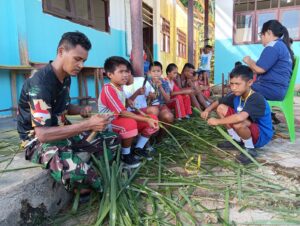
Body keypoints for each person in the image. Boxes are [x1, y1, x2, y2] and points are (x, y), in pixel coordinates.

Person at [17, 31, 120, 193]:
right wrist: (87, 124)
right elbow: (43, 134)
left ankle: (91, 175)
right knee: (80, 174)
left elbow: (63, 107)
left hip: (62, 131)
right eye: (77, 59)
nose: (81, 65)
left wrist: (82, 111)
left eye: (84, 61)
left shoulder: (66, 77)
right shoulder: (40, 83)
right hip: (37, 140)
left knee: (112, 139)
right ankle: (88, 183)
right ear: (61, 52)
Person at [201, 65, 273, 164]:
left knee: (238, 122)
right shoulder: (236, 94)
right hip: (247, 127)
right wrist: (207, 110)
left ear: (250, 82)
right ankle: (236, 139)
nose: (234, 88)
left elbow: (240, 117)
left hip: (261, 135)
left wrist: (217, 121)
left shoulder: (256, 98)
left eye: (237, 84)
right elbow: (219, 102)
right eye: (231, 84)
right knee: (221, 108)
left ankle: (250, 149)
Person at [98, 56, 159, 167]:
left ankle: (138, 148)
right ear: (110, 74)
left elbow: (123, 106)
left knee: (153, 119)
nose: (125, 74)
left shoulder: (120, 88)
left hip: (119, 120)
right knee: (130, 123)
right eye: (121, 72)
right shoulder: (108, 89)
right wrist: (145, 118)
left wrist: (128, 101)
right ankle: (125, 155)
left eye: (126, 71)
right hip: (108, 123)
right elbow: (122, 112)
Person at [243, 19, 294, 101]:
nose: (261, 38)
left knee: (240, 87)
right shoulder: (280, 45)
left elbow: (259, 69)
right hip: (277, 89)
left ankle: (242, 112)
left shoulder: (273, 46)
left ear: (269, 33)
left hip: (272, 89)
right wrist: (251, 62)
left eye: (261, 35)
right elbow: (260, 66)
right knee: (241, 86)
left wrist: (248, 61)